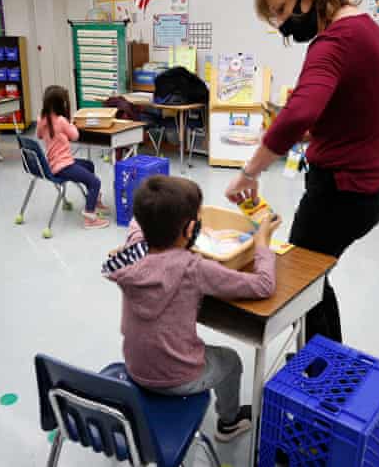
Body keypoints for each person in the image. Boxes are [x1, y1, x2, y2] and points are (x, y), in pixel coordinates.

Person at [225, 0, 379, 344]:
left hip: (340, 194)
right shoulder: (368, 30)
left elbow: (301, 112)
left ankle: (318, 376)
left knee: (301, 282)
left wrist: (249, 171)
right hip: (371, 188)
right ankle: (322, 364)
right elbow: (352, 110)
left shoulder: (333, 41)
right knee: (313, 278)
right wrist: (301, 133)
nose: (283, 26)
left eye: (283, 10)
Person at [102, 175, 281, 442]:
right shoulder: (193, 268)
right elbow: (264, 285)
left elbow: (138, 223)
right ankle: (229, 423)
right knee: (231, 361)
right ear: (188, 230)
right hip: (178, 377)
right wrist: (262, 243)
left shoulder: (133, 250)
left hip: (135, 367)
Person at [36, 85, 110, 229]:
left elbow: (39, 135)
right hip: (64, 166)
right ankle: (90, 218)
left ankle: (93, 200)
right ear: (60, 104)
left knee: (89, 165)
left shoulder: (41, 120)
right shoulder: (61, 121)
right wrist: (69, 124)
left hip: (53, 164)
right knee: (95, 182)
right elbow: (75, 136)